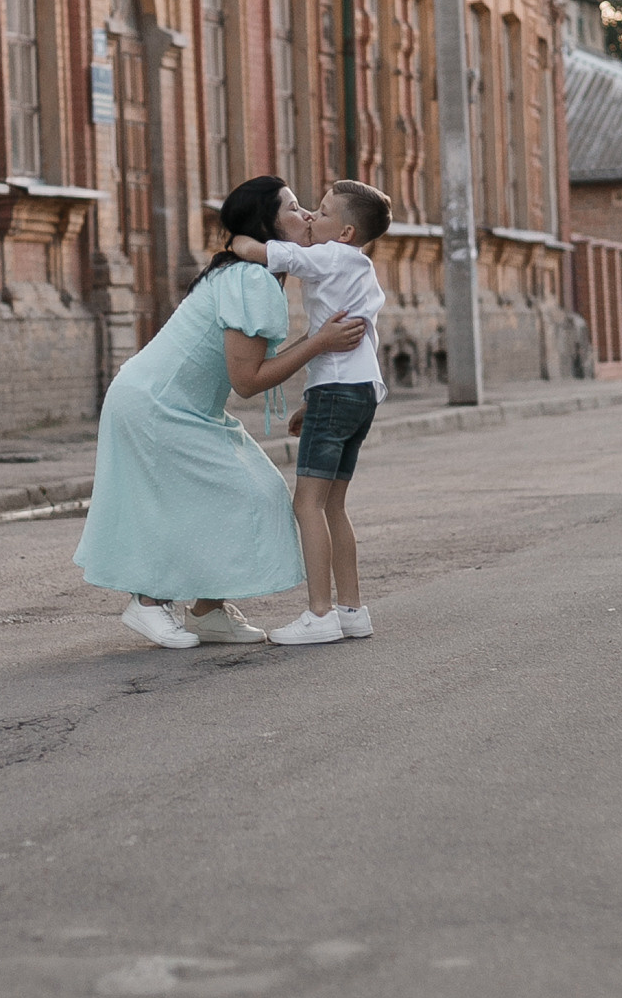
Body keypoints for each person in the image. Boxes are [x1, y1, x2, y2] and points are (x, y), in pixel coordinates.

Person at [73, 174, 367, 649]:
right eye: (294, 208)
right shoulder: (250, 279)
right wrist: (319, 344)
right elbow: (247, 382)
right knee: (208, 499)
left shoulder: (260, 275)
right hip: (155, 405)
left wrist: (311, 381)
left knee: (251, 494)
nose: (308, 214)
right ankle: (148, 603)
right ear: (267, 223)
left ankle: (208, 611)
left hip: (183, 408)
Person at [227, 177, 391, 647]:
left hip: (337, 390)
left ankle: (320, 613)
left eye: (320, 211)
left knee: (308, 502)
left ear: (343, 233)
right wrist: (310, 401)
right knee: (334, 504)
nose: (311, 218)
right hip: (359, 390)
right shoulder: (359, 266)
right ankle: (352, 609)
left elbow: (279, 256)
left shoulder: (332, 256)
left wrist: (243, 241)